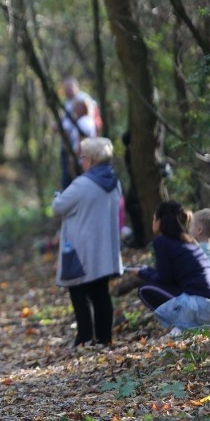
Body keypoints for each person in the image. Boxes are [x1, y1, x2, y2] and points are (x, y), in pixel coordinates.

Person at [52, 137, 122, 349]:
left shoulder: (83, 183)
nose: (81, 161)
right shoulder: (114, 182)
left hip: (81, 249)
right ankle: (103, 338)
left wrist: (57, 196)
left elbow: (58, 207)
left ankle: (83, 338)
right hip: (105, 249)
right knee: (101, 294)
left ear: (90, 160)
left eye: (82, 157)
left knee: (78, 292)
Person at [128, 201, 210, 336]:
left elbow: (165, 280)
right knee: (157, 285)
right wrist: (145, 271)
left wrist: (143, 274)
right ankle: (191, 327)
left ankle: (184, 327)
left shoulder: (161, 242)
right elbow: (172, 276)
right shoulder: (188, 241)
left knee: (145, 290)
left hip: (203, 307)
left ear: (159, 221)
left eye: (153, 218)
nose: (152, 222)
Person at [59, 77, 99, 189]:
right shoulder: (67, 103)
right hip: (69, 148)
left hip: (80, 154)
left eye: (69, 88)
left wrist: (75, 155)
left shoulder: (84, 120)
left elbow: (82, 138)